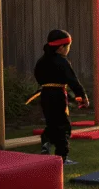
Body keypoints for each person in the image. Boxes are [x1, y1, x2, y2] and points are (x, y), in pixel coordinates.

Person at [29, 29, 88, 164]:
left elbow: (38, 75)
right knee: (63, 125)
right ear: (61, 47)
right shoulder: (62, 61)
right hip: (57, 95)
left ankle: (46, 142)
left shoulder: (41, 61)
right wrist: (82, 96)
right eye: (68, 46)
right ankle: (62, 157)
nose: (68, 49)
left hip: (45, 94)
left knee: (51, 122)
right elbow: (73, 80)